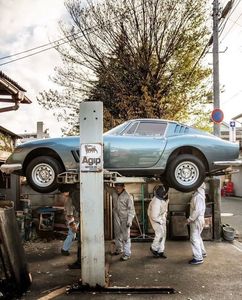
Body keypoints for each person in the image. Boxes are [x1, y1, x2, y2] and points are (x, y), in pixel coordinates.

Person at [105, 182, 135, 261]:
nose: (118, 189)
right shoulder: (114, 192)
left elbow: (131, 210)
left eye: (119, 187)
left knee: (126, 236)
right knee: (117, 233)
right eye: (116, 187)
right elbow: (107, 188)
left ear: (123, 187)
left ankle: (127, 253)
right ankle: (119, 249)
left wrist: (130, 220)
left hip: (125, 218)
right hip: (117, 216)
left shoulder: (128, 196)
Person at [186, 182, 207, 265]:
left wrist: (189, 219)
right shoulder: (198, 194)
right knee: (198, 237)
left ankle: (198, 258)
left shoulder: (198, 196)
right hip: (199, 220)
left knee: (194, 238)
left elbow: (197, 211)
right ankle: (202, 252)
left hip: (196, 220)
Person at [148, 184, 169, 258]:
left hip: (161, 218)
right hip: (155, 219)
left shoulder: (163, 199)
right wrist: (160, 221)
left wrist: (165, 217)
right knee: (159, 234)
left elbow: (164, 209)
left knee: (163, 235)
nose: (165, 195)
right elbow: (154, 216)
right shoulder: (156, 202)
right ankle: (153, 248)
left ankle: (160, 251)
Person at [61, 191, 79, 256]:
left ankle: (65, 248)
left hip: (76, 219)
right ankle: (64, 249)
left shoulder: (74, 198)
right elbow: (69, 215)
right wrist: (72, 224)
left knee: (72, 236)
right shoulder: (69, 200)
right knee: (71, 235)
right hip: (72, 220)